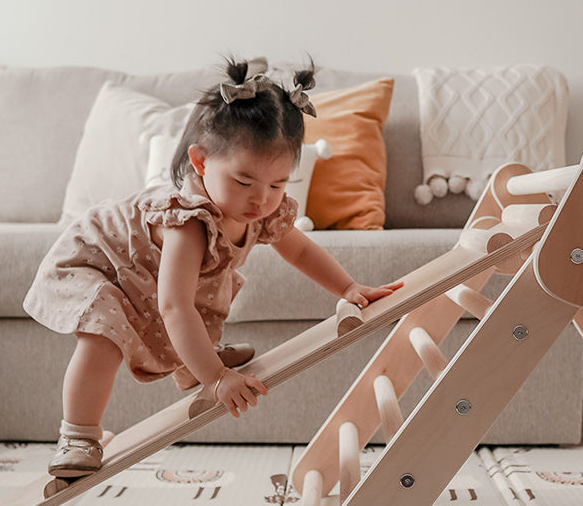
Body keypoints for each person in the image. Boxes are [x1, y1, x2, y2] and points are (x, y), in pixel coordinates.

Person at [23, 57, 403, 478]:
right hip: (103, 259)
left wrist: (348, 288)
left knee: (208, 289)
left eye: (278, 184)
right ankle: (78, 435)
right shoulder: (189, 223)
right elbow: (173, 306)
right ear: (201, 163)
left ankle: (193, 360)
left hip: (146, 273)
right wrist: (216, 377)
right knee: (105, 336)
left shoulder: (260, 210)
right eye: (244, 182)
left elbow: (299, 251)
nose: (261, 199)